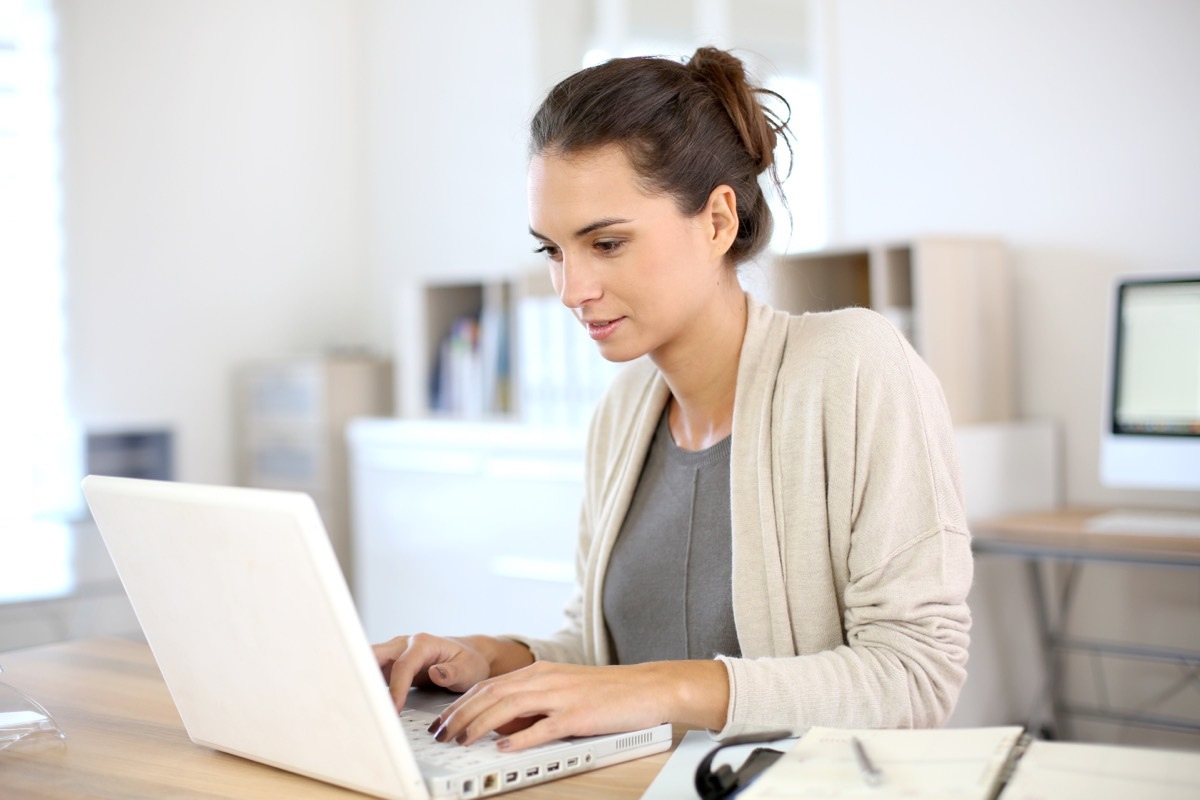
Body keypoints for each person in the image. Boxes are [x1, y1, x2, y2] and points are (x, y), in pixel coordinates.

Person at [373, 46, 973, 752]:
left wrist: (662, 687)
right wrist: (493, 659)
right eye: (554, 251)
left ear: (718, 221)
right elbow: (607, 656)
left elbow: (916, 675)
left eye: (606, 243)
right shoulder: (625, 412)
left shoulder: (851, 368)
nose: (571, 290)